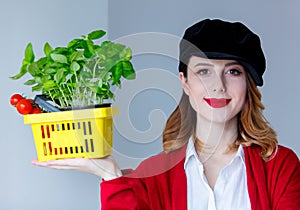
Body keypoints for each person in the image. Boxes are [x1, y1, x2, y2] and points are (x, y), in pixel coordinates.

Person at [32, 19, 300, 210]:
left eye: (233, 72)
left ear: (248, 84)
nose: (218, 85)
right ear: (184, 81)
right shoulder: (151, 174)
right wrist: (112, 176)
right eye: (204, 71)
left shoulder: (281, 167)